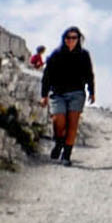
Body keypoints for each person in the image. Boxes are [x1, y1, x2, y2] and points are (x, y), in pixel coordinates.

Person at [38, 27, 93, 165]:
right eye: (68, 37)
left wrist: (92, 91)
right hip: (58, 94)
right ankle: (59, 143)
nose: (71, 40)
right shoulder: (56, 55)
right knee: (59, 121)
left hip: (77, 93)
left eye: (74, 38)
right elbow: (47, 76)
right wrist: (44, 95)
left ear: (79, 39)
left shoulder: (84, 55)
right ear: (64, 39)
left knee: (73, 124)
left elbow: (89, 74)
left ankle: (66, 155)